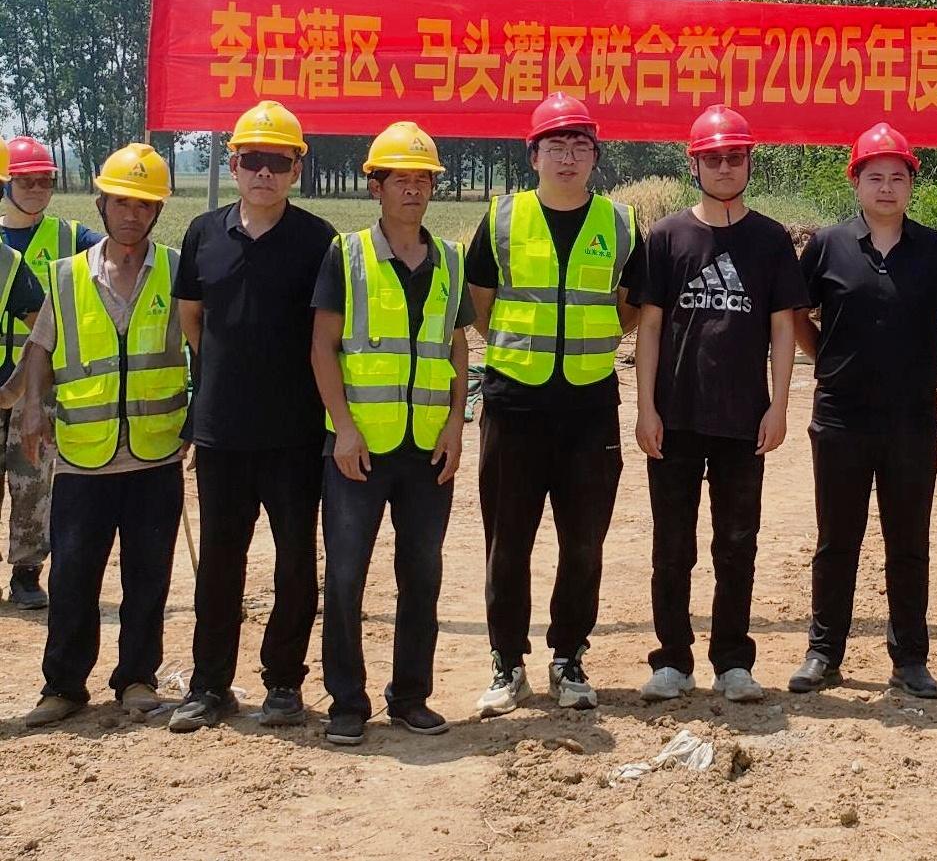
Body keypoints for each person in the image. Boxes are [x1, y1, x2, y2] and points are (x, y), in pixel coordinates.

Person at [787, 123, 937, 699]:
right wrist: (825, 358)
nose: (887, 187)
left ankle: (911, 658)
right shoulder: (828, 245)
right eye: (875, 176)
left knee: (909, 540)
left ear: (912, 184)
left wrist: (928, 363)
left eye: (898, 177)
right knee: (836, 539)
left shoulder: (936, 249)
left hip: (911, 418)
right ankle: (824, 653)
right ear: (856, 182)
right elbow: (798, 315)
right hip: (840, 415)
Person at [467, 91, 641, 715]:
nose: (568, 157)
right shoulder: (501, 218)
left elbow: (628, 308)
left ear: (594, 155)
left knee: (584, 541)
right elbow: (481, 305)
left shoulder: (620, 223)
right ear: (533, 155)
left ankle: (568, 656)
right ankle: (507, 662)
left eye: (579, 146)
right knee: (507, 540)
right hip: (515, 404)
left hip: (590, 408)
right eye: (555, 146)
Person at [3, 144, 186, 728]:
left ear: (157, 211)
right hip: (83, 455)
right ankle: (63, 686)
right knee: (74, 576)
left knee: (148, 576)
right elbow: (40, 347)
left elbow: (206, 345)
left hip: (155, 452)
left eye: (144, 205)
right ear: (101, 204)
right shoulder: (67, 275)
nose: (132, 214)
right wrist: (34, 408)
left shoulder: (177, 272)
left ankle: (137, 678)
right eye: (122, 202)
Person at [170, 101, 337, 733]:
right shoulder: (202, 234)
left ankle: (284, 682)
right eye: (251, 160)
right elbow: (193, 320)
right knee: (220, 562)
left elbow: (326, 333)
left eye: (277, 161)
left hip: (294, 434)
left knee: (296, 561)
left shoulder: (318, 241)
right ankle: (209, 685)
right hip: (222, 433)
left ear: (297, 169)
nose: (263, 172)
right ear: (233, 164)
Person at [633, 104, 807, 704]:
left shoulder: (770, 240)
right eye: (714, 158)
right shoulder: (666, 237)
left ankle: (733, 661)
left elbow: (783, 327)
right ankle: (672, 660)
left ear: (749, 162)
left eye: (735, 157)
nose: (726, 167)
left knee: (737, 545)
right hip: (675, 417)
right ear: (695, 164)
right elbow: (649, 326)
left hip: (743, 418)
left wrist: (778, 405)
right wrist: (645, 407)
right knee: (672, 547)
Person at [310, 122, 471, 745]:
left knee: (422, 575)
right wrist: (344, 429)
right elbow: (323, 347)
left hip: (428, 448)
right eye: (400, 178)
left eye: (422, 179)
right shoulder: (347, 255)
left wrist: (456, 423)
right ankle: (346, 702)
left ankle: (410, 697)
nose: (413, 190)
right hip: (359, 450)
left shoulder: (449, 259)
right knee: (346, 576)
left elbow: (456, 347)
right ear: (375, 186)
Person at [1, 134, 98, 610]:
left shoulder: (72, 237)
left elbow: (120, 252)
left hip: (38, 383)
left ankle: (27, 573)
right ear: (6, 185)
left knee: (34, 479)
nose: (39, 189)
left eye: (46, 181)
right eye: (28, 181)